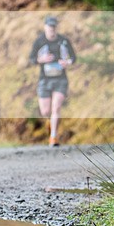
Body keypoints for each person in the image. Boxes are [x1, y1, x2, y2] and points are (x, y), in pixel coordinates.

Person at [29, 15, 75, 147]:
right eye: (49, 26)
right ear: (45, 27)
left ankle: (53, 137)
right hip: (44, 80)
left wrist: (67, 62)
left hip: (61, 79)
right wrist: (41, 60)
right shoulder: (39, 42)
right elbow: (32, 59)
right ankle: (50, 124)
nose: (52, 29)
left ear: (56, 27)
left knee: (57, 107)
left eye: (54, 26)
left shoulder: (64, 41)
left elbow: (73, 58)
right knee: (45, 111)